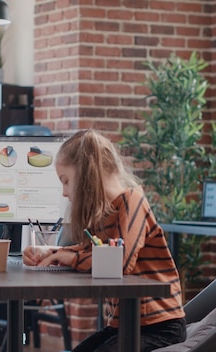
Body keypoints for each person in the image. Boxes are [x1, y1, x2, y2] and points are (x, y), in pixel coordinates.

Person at [23, 129, 186, 352]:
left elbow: (120, 262)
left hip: (158, 328)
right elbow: (90, 250)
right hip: (124, 324)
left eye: (66, 181)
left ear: (86, 174)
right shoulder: (106, 213)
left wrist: (68, 257)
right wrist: (50, 253)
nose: (64, 192)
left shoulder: (132, 201)